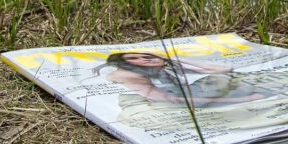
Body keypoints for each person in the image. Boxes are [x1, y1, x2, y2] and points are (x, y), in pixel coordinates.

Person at [104, 52, 267, 105]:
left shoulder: (163, 67)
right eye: (133, 58)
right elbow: (170, 99)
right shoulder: (131, 76)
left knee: (227, 79)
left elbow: (224, 69)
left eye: (147, 55)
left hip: (188, 96)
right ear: (123, 65)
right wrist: (244, 99)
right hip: (172, 103)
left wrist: (176, 61)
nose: (145, 59)